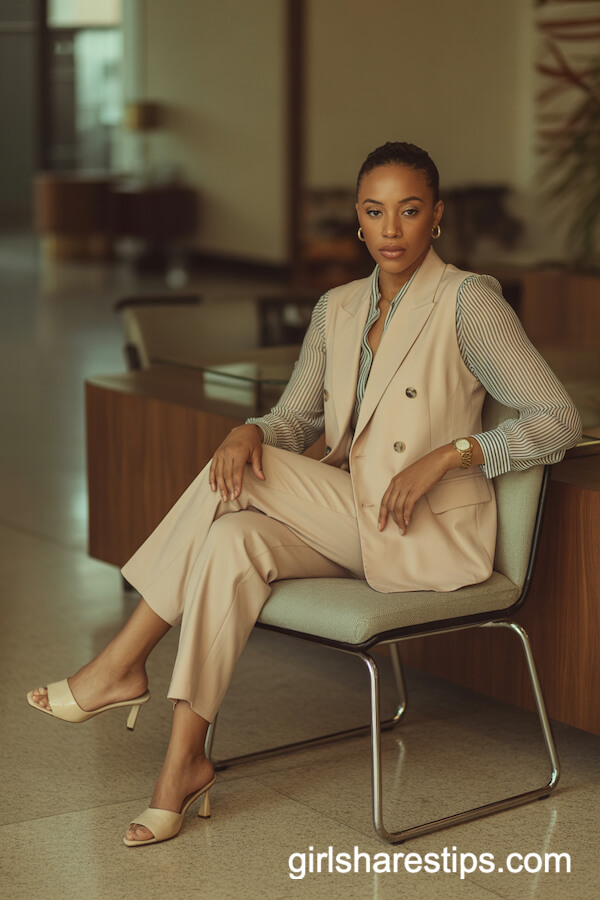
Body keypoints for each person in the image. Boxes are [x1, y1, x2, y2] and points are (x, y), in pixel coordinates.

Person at [27, 142, 582, 846]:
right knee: (230, 536)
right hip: (351, 520)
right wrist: (250, 430)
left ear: (435, 217)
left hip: (423, 532)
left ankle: (123, 661)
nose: (391, 229)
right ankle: (182, 764)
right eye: (375, 212)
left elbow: (558, 419)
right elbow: (294, 419)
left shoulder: (469, 300)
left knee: (245, 480)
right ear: (357, 220)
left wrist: (454, 453)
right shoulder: (337, 309)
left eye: (409, 211)